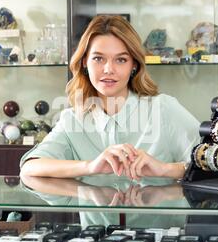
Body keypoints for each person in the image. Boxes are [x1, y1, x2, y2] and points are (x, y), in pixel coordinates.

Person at [20, 15, 200, 212]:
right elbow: (30, 168)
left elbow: (216, 165)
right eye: (98, 58)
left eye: (121, 60)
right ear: (84, 63)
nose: (108, 69)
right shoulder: (74, 119)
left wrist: (165, 170)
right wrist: (91, 167)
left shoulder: (163, 108)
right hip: (97, 239)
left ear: (134, 65)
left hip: (160, 238)